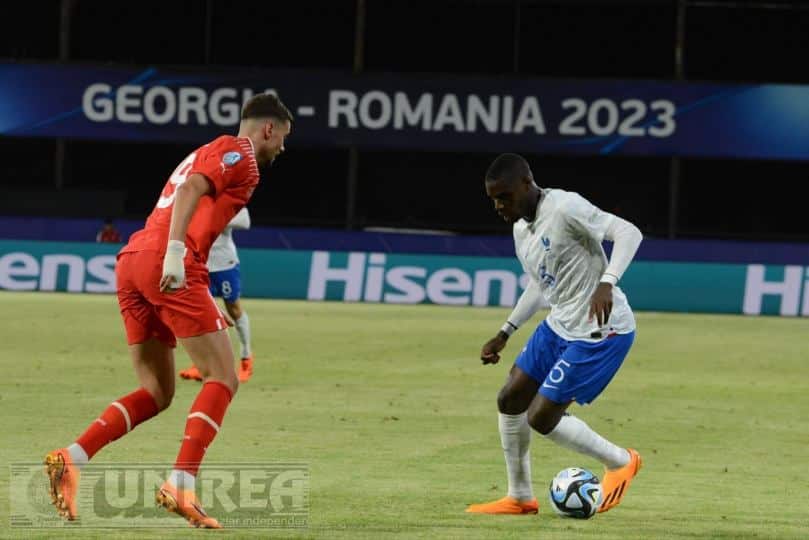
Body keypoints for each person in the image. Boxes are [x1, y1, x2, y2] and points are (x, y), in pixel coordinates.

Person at [43, 93, 292, 528]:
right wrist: (177, 253)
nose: (283, 149)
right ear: (268, 128)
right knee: (224, 375)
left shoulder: (210, 150)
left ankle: (72, 457)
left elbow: (192, 186)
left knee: (158, 391)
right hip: (168, 261)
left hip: (134, 259)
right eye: (284, 138)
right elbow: (194, 187)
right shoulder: (243, 153)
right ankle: (181, 483)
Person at [465, 153, 643, 516]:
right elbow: (541, 283)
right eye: (494, 200)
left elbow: (628, 232)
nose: (499, 206)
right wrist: (506, 331)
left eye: (505, 197)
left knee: (541, 417)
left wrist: (607, 282)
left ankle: (621, 461)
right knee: (510, 398)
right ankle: (520, 497)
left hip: (600, 330)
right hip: (561, 323)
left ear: (527, 184)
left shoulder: (564, 206)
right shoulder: (520, 230)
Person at [180, 206, 254, 383]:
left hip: (224, 263)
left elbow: (245, 221)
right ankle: (201, 364)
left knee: (234, 309)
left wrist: (213, 217)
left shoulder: (227, 195)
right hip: (200, 262)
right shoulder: (194, 196)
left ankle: (246, 359)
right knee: (202, 313)